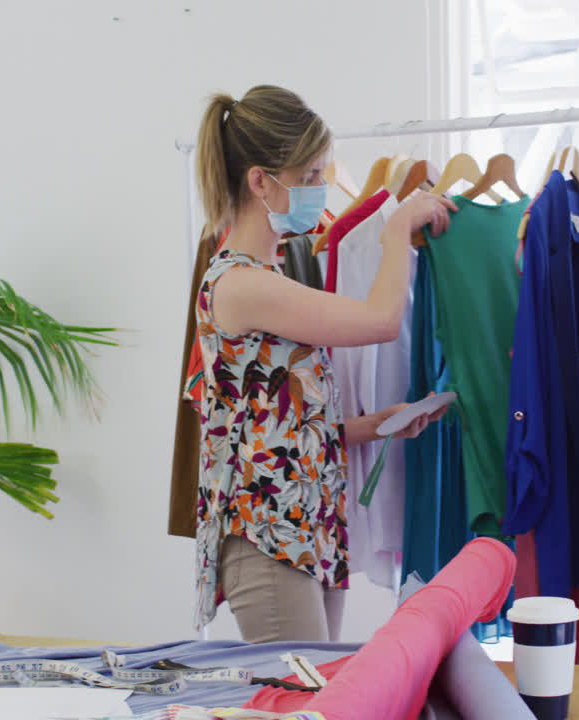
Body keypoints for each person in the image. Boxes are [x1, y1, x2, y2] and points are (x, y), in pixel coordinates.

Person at [192, 84, 457, 643]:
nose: (321, 188)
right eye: (310, 176)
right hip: (271, 538)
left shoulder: (272, 278)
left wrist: (377, 424)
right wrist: (394, 230)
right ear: (260, 181)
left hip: (308, 527)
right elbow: (382, 321)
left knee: (322, 696)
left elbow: (279, 431)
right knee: (304, 704)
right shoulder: (241, 284)